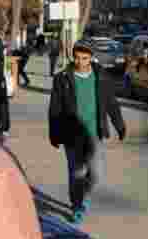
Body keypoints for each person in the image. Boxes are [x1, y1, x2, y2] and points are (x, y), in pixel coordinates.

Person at [48, 42, 126, 226]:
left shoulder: (101, 76)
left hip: (94, 133)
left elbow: (111, 103)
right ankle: (76, 205)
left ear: (91, 58)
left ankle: (83, 196)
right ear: (72, 57)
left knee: (96, 174)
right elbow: (55, 109)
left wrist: (120, 125)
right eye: (77, 57)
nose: (80, 61)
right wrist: (54, 134)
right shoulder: (62, 78)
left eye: (84, 58)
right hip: (72, 135)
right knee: (77, 172)